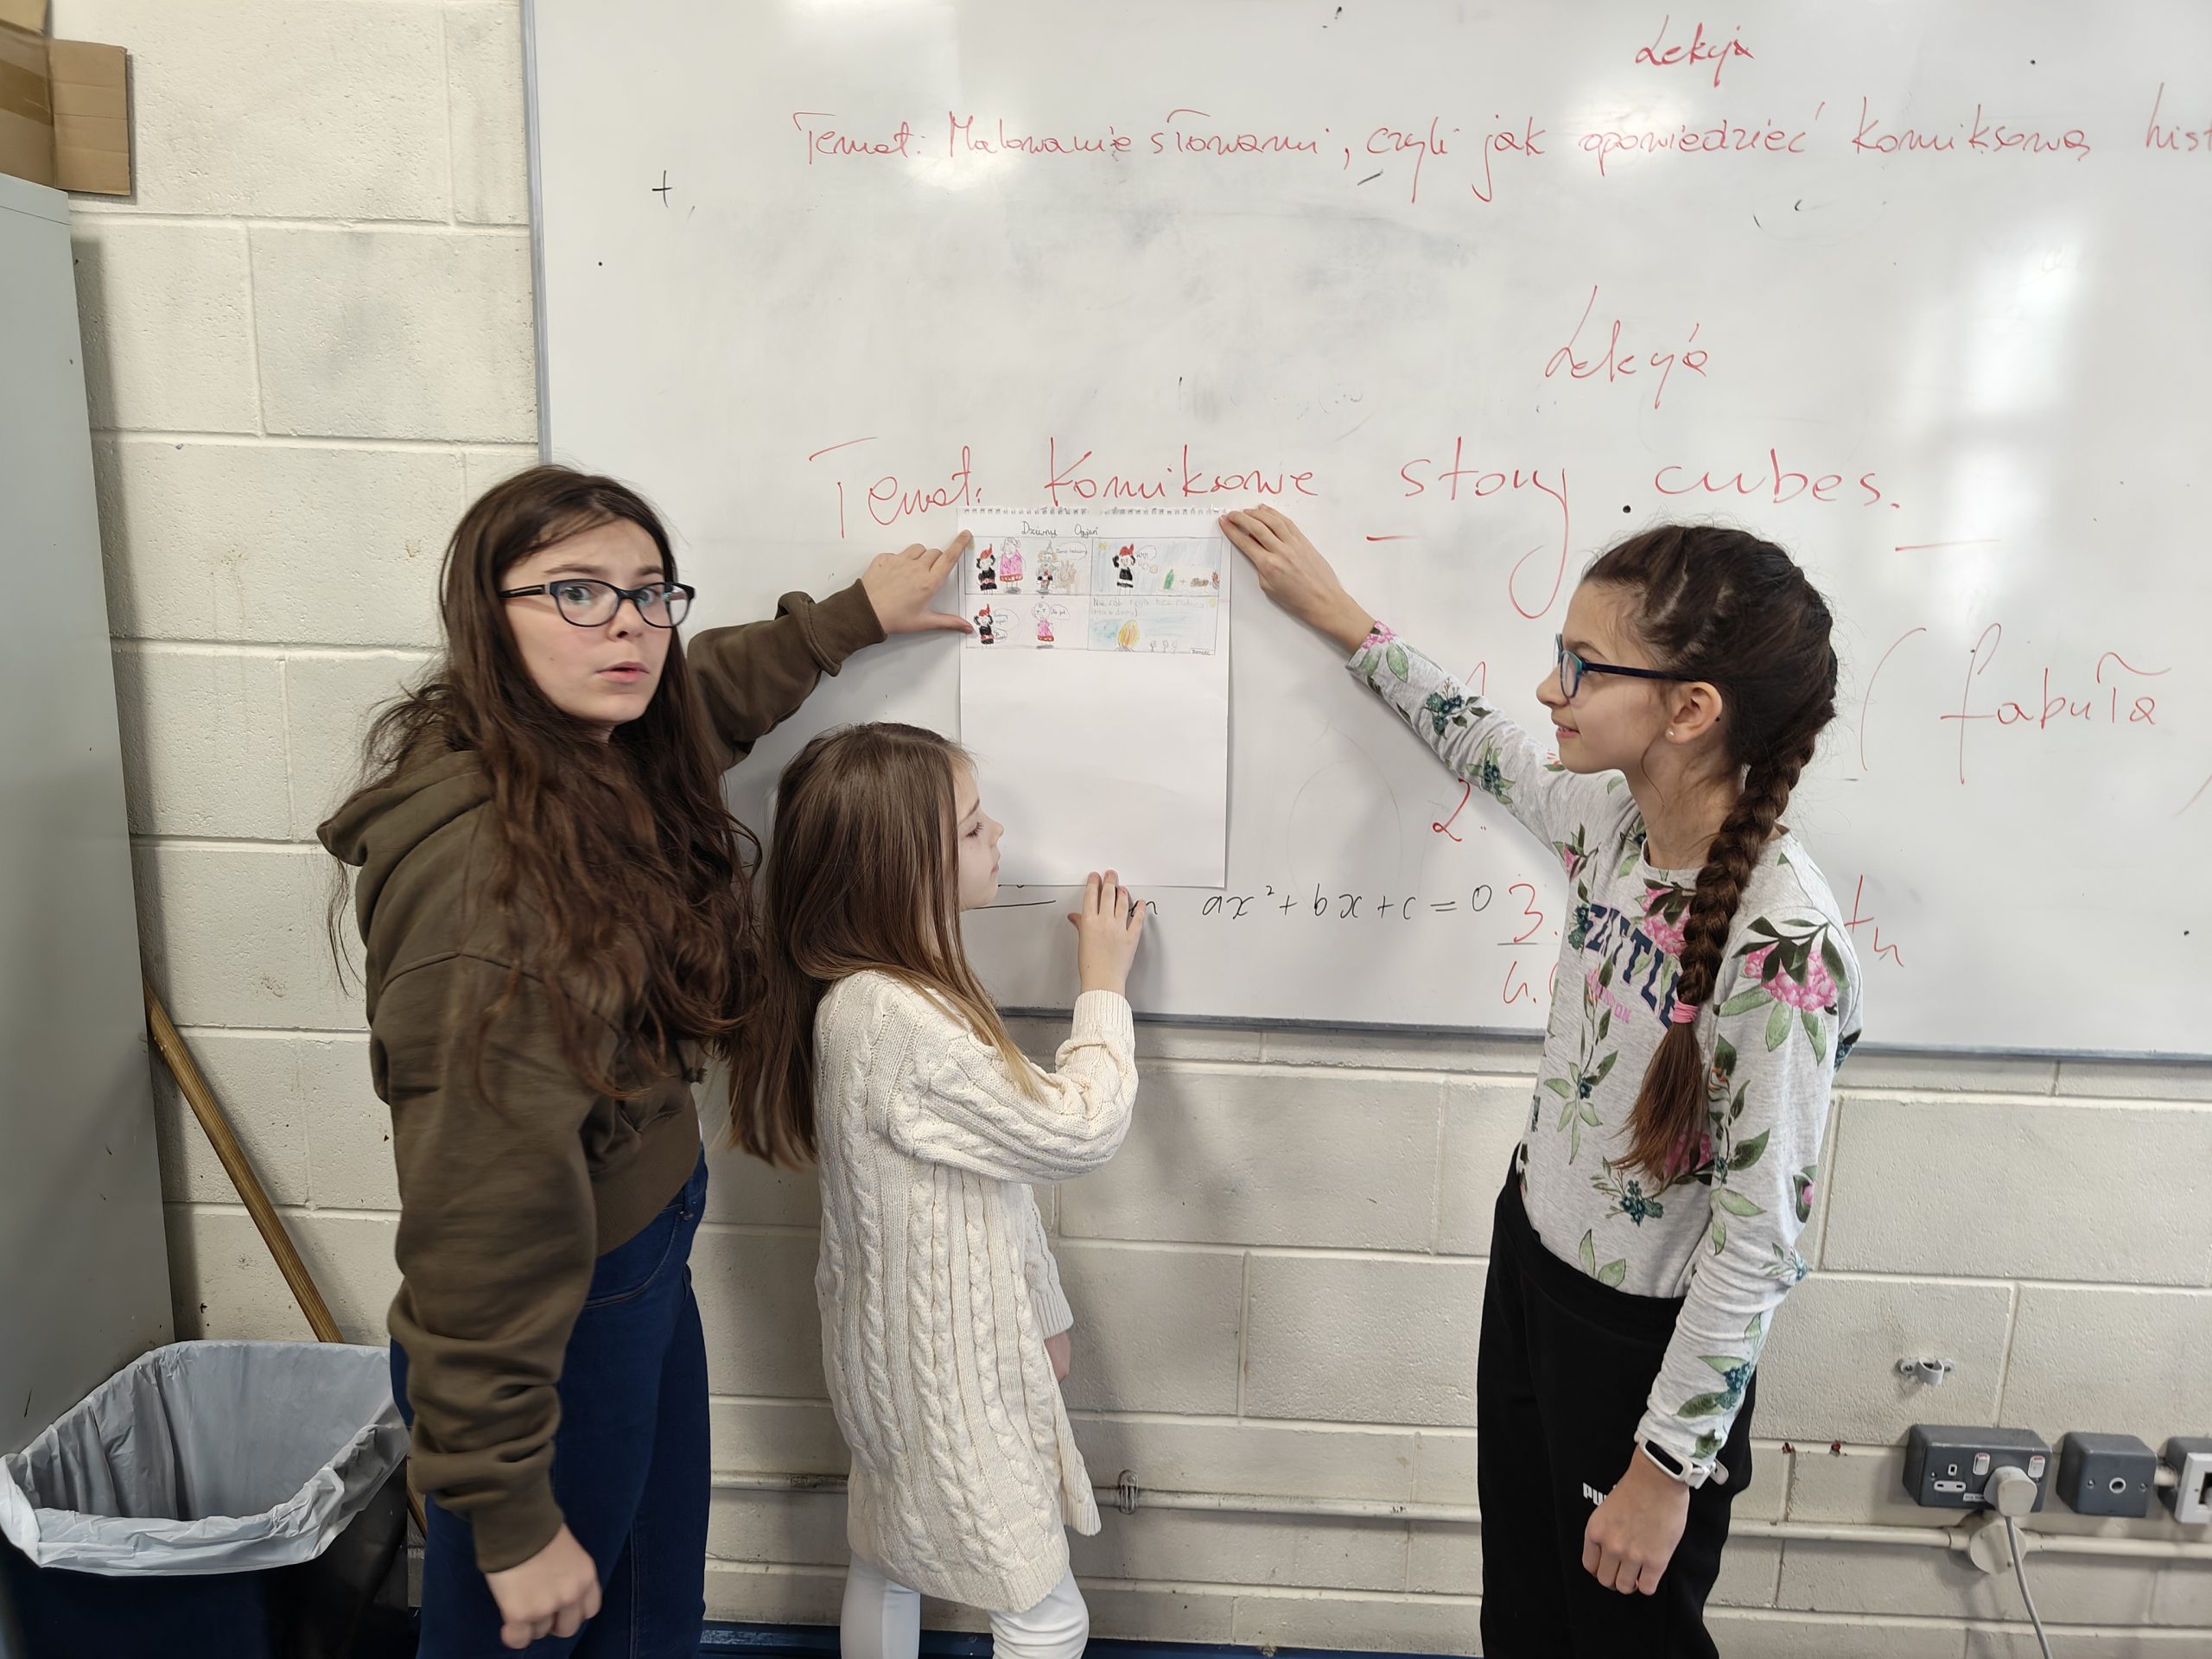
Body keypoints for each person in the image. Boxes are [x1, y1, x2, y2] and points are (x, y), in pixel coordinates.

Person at [320, 465, 968, 1656]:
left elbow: (699, 699)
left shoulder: (581, 751)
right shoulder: (489, 897)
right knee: (523, 1632)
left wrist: (844, 623)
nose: (626, 625)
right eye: (575, 591)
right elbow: (481, 1219)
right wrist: (509, 1511)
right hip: (555, 1315)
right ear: (487, 615)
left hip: (634, 1255)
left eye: (647, 592)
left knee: (647, 1609)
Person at [1220, 505, 1863, 1658]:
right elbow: (1483, 745)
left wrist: (1664, 1469)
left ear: (1689, 710)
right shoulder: (1610, 824)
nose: (1549, 686)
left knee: (1621, 1638)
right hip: (1533, 1265)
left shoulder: (1784, 951)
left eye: (1580, 664)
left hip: (1642, 1347)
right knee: (1523, 1613)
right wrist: (1343, 620)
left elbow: (1761, 1239)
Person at [730, 723, 1146, 1659]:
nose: (996, 833)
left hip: (898, 1365)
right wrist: (1103, 986)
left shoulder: (873, 996)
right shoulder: (895, 1019)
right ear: (899, 867)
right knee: (1045, 1613)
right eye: (970, 826)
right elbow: (1076, 1128)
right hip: (948, 1387)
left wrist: (1043, 1311)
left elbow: (984, 1182)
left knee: (889, 1557)